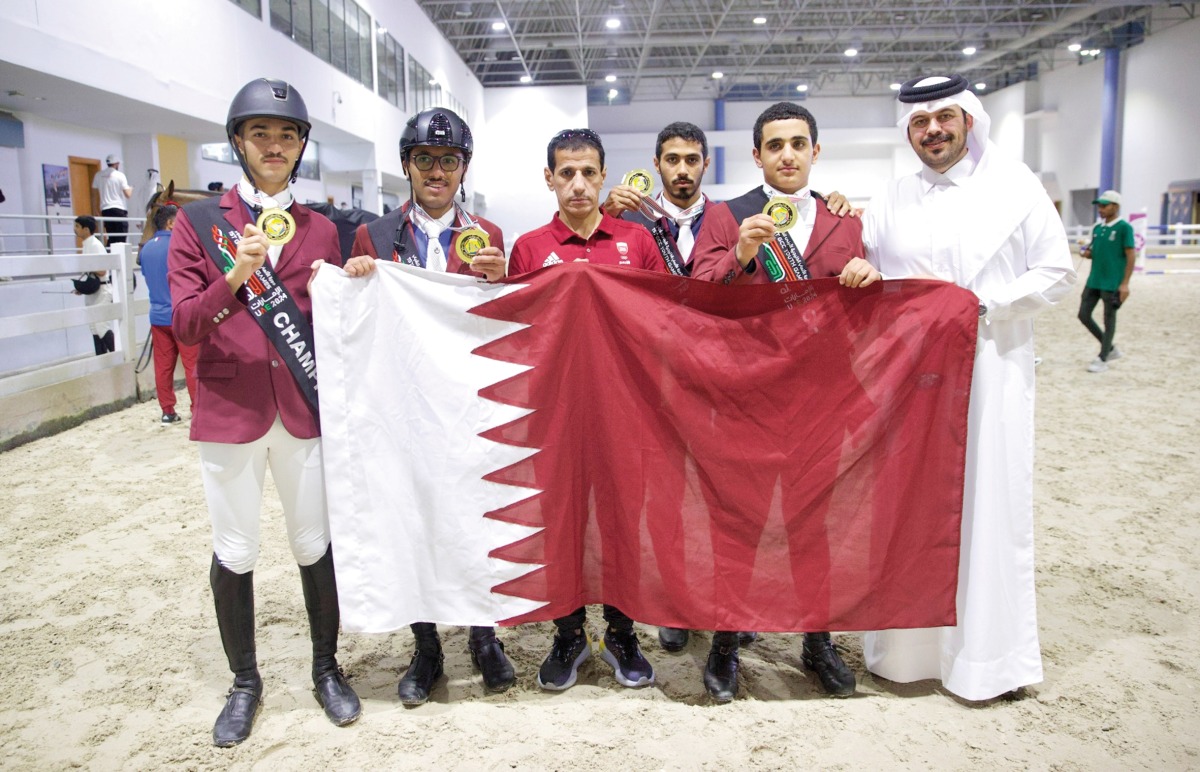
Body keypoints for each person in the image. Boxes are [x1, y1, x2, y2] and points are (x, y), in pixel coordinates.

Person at [860, 74, 1075, 701]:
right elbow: (868, 270)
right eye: (921, 123)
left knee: (987, 505)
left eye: (945, 118)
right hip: (908, 384)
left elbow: (1056, 271)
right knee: (909, 505)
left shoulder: (1015, 187)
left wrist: (982, 306)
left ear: (968, 121)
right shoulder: (891, 198)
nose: (933, 131)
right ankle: (907, 658)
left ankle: (988, 661)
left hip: (992, 374)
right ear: (908, 132)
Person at [168, 78, 369, 747]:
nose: (274, 145)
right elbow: (189, 325)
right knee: (237, 548)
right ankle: (245, 682)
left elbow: (336, 322)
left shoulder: (322, 229)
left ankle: (325, 669)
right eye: (261, 134)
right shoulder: (198, 224)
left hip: (302, 411)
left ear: (302, 145)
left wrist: (361, 278)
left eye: (286, 135)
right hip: (230, 410)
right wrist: (234, 276)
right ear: (238, 143)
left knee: (314, 543)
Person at [688, 101, 878, 702]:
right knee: (735, 521)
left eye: (799, 143)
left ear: (816, 152)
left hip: (819, 400)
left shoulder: (844, 221)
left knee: (813, 525)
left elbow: (863, 315)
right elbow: (696, 291)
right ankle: (724, 639)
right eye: (776, 145)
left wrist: (868, 278)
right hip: (744, 396)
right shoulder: (726, 214)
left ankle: (817, 640)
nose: (788, 155)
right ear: (757, 155)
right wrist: (740, 253)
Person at [348, 106, 511, 706]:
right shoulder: (375, 235)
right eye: (425, 160)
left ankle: (484, 635)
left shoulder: (488, 236)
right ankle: (427, 645)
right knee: (413, 514)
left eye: (448, 161)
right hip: (406, 401)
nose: (436, 171)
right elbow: (360, 313)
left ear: (463, 167)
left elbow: (501, 321)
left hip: (470, 401)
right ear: (407, 167)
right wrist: (357, 275)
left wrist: (502, 277)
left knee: (477, 510)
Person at [508, 127, 665, 692]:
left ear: (604, 177)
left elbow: (664, 323)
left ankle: (622, 632)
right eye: (566, 173)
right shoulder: (528, 247)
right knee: (561, 519)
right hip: (554, 413)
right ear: (548, 178)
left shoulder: (637, 242)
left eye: (588, 173)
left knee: (625, 517)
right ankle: (569, 632)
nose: (578, 184)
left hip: (626, 410)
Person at [138, 203, 198, 423]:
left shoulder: (146, 249)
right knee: (192, 365)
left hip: (157, 316)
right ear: (171, 223)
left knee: (163, 367)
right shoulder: (181, 245)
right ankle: (197, 410)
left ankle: (167, 411)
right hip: (182, 315)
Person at [1078, 189, 1135, 373]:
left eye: (1105, 205)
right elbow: (1095, 253)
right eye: (1099, 206)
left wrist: (1125, 283)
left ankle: (1103, 358)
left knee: (1108, 319)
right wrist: (1086, 253)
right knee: (1083, 315)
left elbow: (1130, 255)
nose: (1100, 209)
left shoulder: (1124, 228)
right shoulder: (1097, 228)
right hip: (1094, 279)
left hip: (1112, 282)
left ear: (1115, 207)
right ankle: (1109, 348)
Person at [72, 215, 114, 355]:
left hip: (102, 291)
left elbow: (102, 271)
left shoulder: (95, 245)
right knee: (94, 328)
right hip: (93, 293)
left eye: (77, 226)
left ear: (86, 229)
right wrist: (82, 288)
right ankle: (101, 361)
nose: (75, 229)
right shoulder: (87, 245)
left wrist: (88, 268)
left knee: (101, 327)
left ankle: (119, 356)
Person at [92, 154, 132, 245]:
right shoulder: (120, 175)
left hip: (106, 210)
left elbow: (94, 194)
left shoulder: (98, 175)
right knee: (121, 237)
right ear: (117, 164)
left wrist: (95, 209)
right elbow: (128, 194)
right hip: (119, 209)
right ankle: (119, 257)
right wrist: (131, 188)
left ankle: (110, 254)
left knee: (112, 235)